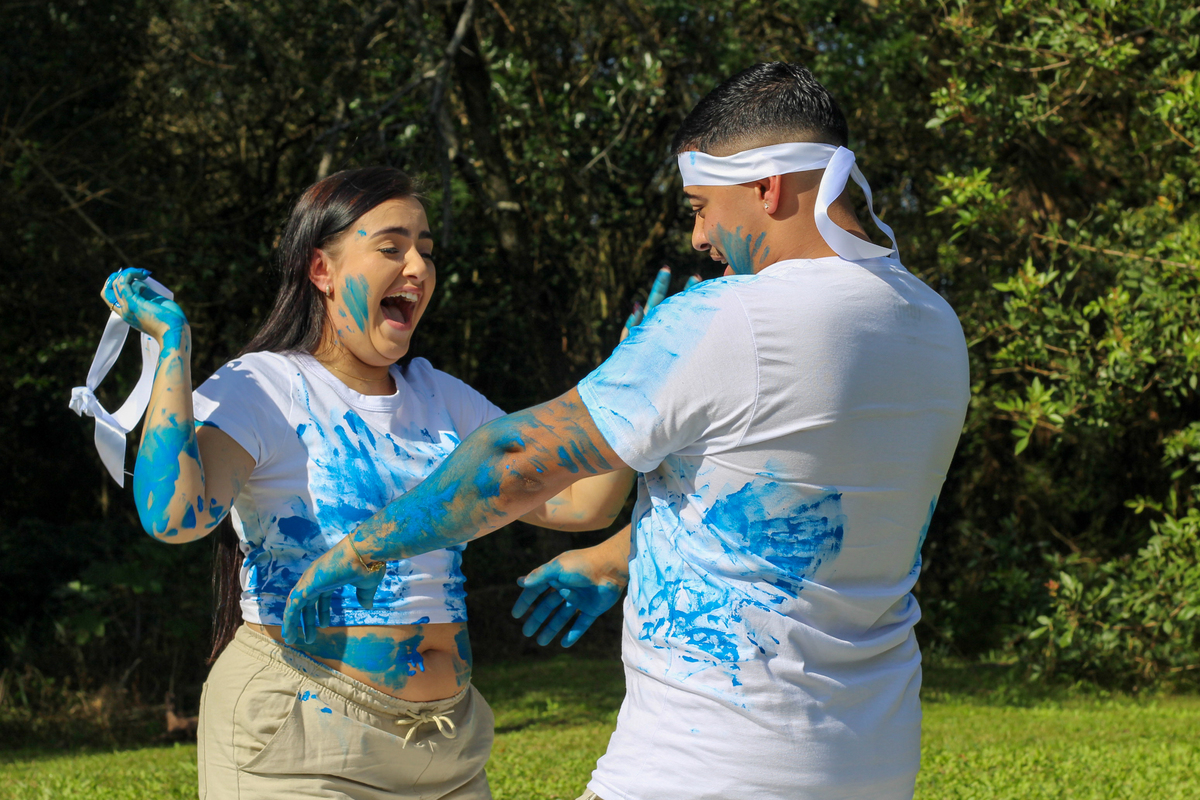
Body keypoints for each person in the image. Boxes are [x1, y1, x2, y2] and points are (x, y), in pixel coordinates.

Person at [283, 62, 970, 800]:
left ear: (768, 189)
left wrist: (363, 548)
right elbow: (808, 513)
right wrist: (616, 559)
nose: (701, 236)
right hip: (873, 762)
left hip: (707, 770)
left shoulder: (732, 316)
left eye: (702, 207)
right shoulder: (931, 323)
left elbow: (512, 459)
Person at [98, 166, 634, 799]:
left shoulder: (444, 398)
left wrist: (637, 383)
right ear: (321, 270)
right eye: (391, 247)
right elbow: (172, 515)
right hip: (299, 742)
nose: (418, 267)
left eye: (426, 250)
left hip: (447, 749)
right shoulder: (263, 386)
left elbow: (582, 502)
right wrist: (172, 344)